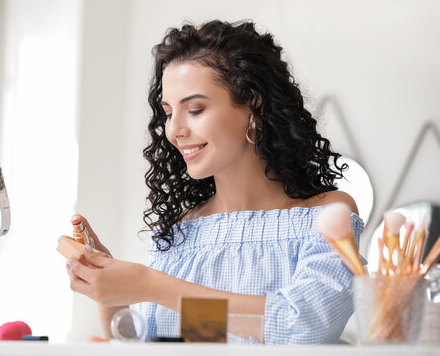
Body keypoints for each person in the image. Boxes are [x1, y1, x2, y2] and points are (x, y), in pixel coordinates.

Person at [64, 19, 363, 344]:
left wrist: (148, 285)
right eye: (168, 112)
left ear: (253, 106)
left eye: (195, 109)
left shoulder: (326, 217)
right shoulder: (184, 232)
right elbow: (201, 336)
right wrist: (111, 293)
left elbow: (303, 326)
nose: (174, 129)